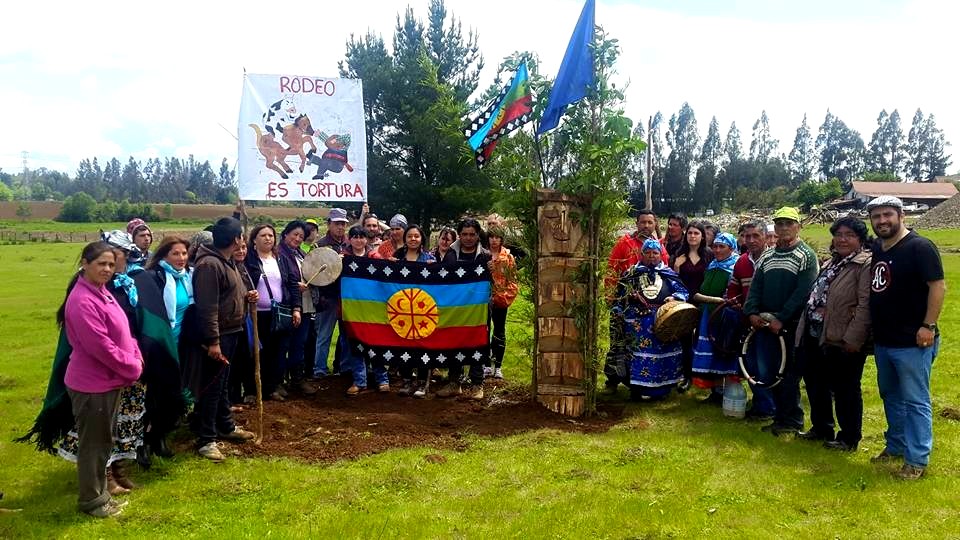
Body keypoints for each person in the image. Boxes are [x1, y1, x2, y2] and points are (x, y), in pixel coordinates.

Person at [62, 242, 144, 517]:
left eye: (111, 264)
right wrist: (132, 368)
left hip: (109, 380)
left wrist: (135, 354)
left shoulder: (101, 292)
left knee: (103, 441)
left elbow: (124, 331)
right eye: (101, 264)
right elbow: (101, 346)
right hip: (92, 384)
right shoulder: (82, 300)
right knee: (94, 445)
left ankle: (101, 496)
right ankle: (92, 501)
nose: (107, 269)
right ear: (85, 264)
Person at [867, 196, 945, 480]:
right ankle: (896, 445)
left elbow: (938, 286)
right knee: (891, 395)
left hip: (913, 341)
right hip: (884, 341)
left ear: (901, 215)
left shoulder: (920, 247)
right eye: (876, 216)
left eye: (887, 214)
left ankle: (917, 460)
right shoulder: (879, 247)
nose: (882, 221)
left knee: (915, 401)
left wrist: (928, 325)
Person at [795, 217, 872, 451]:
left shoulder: (864, 264)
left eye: (849, 235)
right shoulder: (832, 262)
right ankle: (821, 427)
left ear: (860, 239)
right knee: (816, 383)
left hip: (843, 336)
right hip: (816, 332)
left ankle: (849, 437)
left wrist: (854, 338)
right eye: (838, 235)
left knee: (845, 388)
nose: (842, 239)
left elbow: (865, 304)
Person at [743, 206, 818, 436]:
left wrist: (782, 318)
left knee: (789, 374)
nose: (784, 228)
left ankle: (793, 420)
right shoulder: (767, 256)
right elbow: (756, 287)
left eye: (789, 223)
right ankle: (780, 418)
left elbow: (803, 292)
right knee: (770, 372)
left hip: (791, 325)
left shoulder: (806, 256)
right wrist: (752, 313)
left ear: (798, 226)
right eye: (780, 223)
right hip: (765, 324)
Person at [189, 217, 255, 461]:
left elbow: (229, 294)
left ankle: (225, 425)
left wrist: (247, 296)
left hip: (232, 330)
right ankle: (206, 438)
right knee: (212, 387)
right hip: (219, 335)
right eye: (241, 236)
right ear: (236, 239)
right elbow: (208, 308)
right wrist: (213, 341)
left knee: (223, 384)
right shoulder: (209, 265)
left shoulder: (227, 262)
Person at [135, 236, 194, 459]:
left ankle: (160, 437)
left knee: (171, 393)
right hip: (158, 346)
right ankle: (143, 442)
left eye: (184, 253)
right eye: (175, 253)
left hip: (181, 344)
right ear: (164, 255)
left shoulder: (188, 277)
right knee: (153, 395)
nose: (181, 258)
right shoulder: (153, 278)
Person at [614, 238, 689, 400]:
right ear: (641, 255)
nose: (651, 256)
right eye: (647, 253)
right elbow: (619, 296)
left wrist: (674, 297)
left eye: (655, 253)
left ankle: (661, 391)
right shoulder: (631, 274)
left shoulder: (668, 274)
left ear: (661, 255)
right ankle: (636, 390)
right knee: (636, 355)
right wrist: (626, 301)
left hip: (662, 321)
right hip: (637, 323)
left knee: (663, 354)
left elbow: (683, 291)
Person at [603, 210, 669, 393]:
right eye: (643, 222)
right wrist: (611, 297)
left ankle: (643, 381)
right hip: (624, 302)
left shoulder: (659, 247)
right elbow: (612, 270)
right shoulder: (624, 243)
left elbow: (665, 273)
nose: (646, 226)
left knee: (644, 345)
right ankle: (613, 380)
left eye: (650, 222)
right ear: (636, 223)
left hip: (649, 308)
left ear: (655, 224)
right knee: (618, 342)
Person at [436, 218, 491, 400]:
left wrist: (494, 270)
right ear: (459, 235)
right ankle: (454, 382)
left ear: (478, 235)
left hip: (479, 308)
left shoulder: (486, 256)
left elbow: (495, 281)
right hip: (455, 307)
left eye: (472, 234)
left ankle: (477, 384)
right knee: (454, 341)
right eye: (464, 234)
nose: (468, 238)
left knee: (478, 342)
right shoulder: (450, 254)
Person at [725, 221, 772, 420]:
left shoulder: (774, 259)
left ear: (765, 237)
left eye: (756, 236)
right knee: (751, 364)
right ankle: (761, 404)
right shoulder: (742, 262)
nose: (751, 240)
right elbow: (733, 288)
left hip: (770, 323)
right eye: (747, 236)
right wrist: (735, 302)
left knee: (767, 365)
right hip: (747, 322)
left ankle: (769, 407)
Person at [690, 233, 739, 400]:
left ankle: (728, 392)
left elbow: (732, 295)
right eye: (715, 246)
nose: (717, 250)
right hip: (708, 314)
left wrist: (708, 298)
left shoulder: (735, 267)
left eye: (722, 247)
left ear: (731, 248)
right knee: (711, 352)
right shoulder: (712, 265)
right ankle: (716, 391)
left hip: (725, 315)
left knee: (723, 350)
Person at [342, 226, 389, 396]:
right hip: (351, 310)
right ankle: (359, 381)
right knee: (355, 345)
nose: (358, 240)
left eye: (361, 237)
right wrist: (337, 263)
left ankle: (382, 379)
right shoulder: (343, 257)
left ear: (366, 239)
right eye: (355, 237)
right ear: (349, 239)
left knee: (376, 343)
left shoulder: (374, 257)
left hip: (373, 309)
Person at [275, 220, 317, 396]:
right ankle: (277, 381)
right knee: (283, 344)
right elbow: (279, 279)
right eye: (295, 234)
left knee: (299, 344)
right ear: (286, 234)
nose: (298, 238)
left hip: (304, 305)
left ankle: (297, 379)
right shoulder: (278, 254)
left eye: (301, 236)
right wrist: (294, 286)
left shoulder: (300, 253)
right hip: (288, 305)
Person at [245, 224, 286, 401]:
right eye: (263, 235)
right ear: (254, 239)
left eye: (271, 235)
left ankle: (270, 388)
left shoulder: (279, 259)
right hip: (256, 314)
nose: (268, 238)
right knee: (255, 352)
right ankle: (251, 390)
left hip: (275, 314)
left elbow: (285, 283)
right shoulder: (249, 260)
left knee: (274, 352)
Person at [313, 208, 351, 377]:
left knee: (346, 336)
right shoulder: (319, 245)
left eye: (343, 224)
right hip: (327, 297)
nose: (340, 227)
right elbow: (313, 272)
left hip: (347, 298)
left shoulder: (351, 243)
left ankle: (344, 368)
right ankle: (319, 369)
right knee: (324, 335)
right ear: (329, 224)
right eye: (337, 224)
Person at [673, 221, 711, 390]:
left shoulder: (709, 255)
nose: (692, 236)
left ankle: (703, 374)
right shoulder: (679, 254)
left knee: (703, 338)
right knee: (685, 341)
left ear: (702, 236)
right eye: (690, 233)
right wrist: (676, 266)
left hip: (704, 302)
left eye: (696, 233)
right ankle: (687, 376)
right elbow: (673, 280)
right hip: (684, 303)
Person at [227, 236, 259, 406]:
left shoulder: (244, 267)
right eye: (237, 248)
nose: (241, 251)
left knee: (247, 356)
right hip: (231, 321)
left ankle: (249, 391)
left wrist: (251, 296)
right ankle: (232, 395)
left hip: (246, 319)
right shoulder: (227, 267)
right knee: (234, 359)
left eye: (244, 247)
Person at [486, 223, 518, 380]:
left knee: (499, 331)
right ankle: (486, 364)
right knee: (484, 331)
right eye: (491, 237)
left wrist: (504, 298)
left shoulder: (508, 257)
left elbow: (513, 281)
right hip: (483, 300)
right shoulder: (482, 255)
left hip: (500, 300)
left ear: (501, 239)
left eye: (497, 237)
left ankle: (498, 366)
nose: (494, 240)